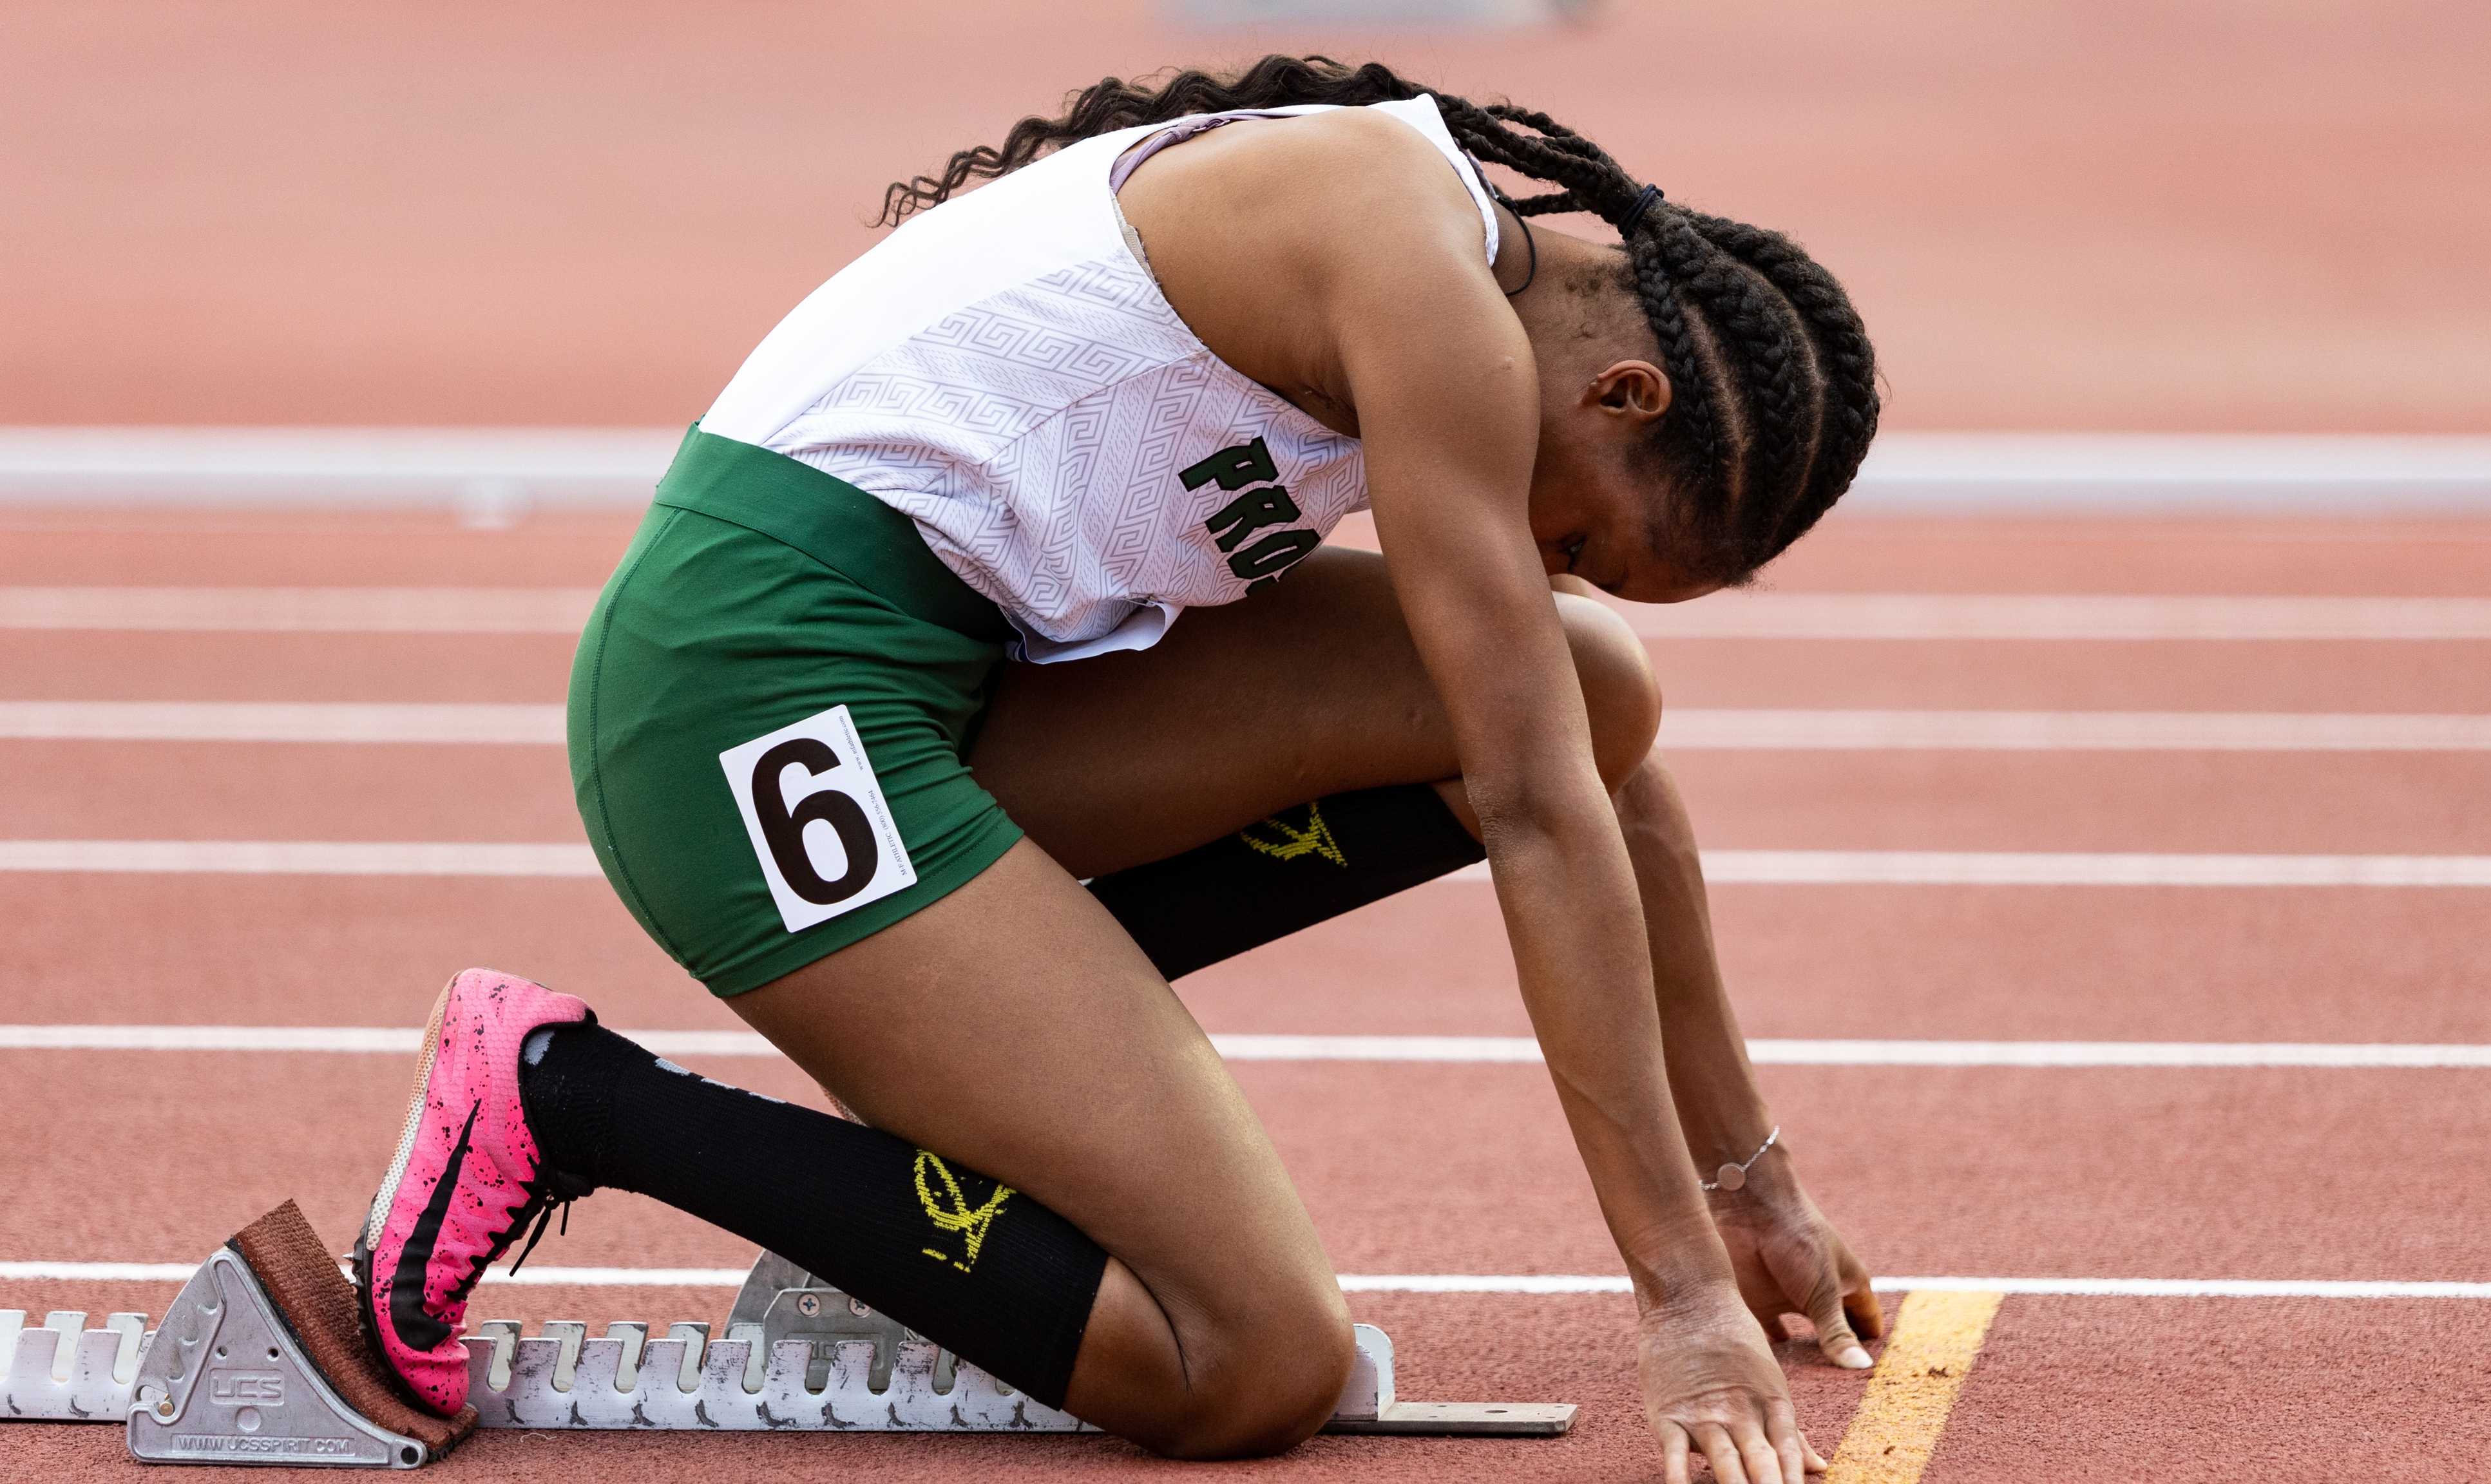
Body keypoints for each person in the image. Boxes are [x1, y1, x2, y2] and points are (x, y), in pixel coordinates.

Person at [350, 55, 1884, 1484]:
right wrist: (1680, 1300)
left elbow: (1581, 766)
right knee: (1250, 1361)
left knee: (1588, 688)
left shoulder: (1446, 245)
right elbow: (1537, 808)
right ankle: (567, 1099)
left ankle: (1006, 1038)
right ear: (1627, 395)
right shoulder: (1424, 290)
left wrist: (1748, 1186)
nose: (1554, 569)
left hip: (962, 684)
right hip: (742, 698)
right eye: (1577, 545)